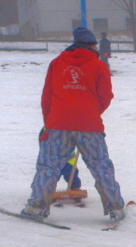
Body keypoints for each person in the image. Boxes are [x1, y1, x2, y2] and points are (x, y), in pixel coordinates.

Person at [22, 26, 125, 221]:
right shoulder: (99, 65)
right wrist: (91, 113)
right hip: (90, 125)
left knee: (48, 167)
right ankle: (116, 208)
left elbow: (47, 97)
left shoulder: (56, 63)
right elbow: (106, 96)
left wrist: (49, 122)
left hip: (57, 123)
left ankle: (36, 207)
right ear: (92, 45)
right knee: (101, 167)